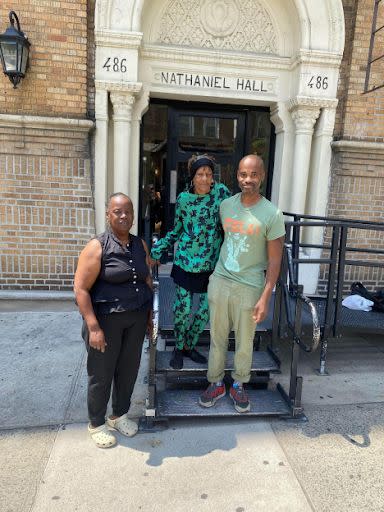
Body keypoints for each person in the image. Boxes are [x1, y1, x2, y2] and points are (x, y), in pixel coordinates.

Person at [199, 155, 285, 413]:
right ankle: (215, 382)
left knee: (245, 340)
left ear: (262, 176)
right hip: (221, 280)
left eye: (253, 175)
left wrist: (265, 296)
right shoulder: (225, 206)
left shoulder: (272, 213)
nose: (247, 180)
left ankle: (238, 384)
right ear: (236, 175)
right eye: (242, 174)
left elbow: (274, 261)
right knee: (217, 337)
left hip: (250, 284)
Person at [74, 193, 153, 448]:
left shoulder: (140, 244)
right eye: (117, 211)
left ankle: (118, 415)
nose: (123, 216)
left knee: (128, 371)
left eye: (128, 212)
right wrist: (93, 327)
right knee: (102, 373)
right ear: (108, 214)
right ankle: (96, 423)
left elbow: (146, 280)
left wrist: (150, 317)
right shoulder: (97, 246)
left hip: (136, 319)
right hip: (105, 323)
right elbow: (81, 289)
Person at [150, 154, 231, 369]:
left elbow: (237, 213)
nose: (204, 179)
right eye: (200, 174)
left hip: (211, 266)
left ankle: (189, 345)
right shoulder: (185, 199)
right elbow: (177, 230)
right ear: (193, 177)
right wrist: (158, 249)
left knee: (204, 311)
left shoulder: (221, 194)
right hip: (186, 262)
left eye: (208, 174)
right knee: (183, 310)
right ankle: (178, 346)